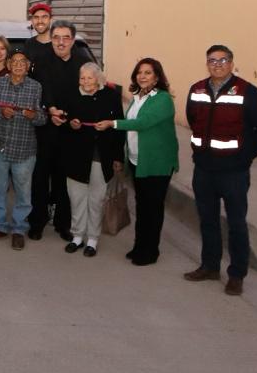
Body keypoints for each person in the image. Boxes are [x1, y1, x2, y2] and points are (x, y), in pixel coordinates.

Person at [182, 45, 257, 295]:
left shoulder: (248, 92)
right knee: (208, 221)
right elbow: (193, 120)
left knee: (236, 223)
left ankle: (236, 275)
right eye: (212, 60)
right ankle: (210, 266)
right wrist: (202, 152)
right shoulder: (197, 89)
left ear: (231, 63)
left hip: (233, 172)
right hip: (204, 169)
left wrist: (244, 156)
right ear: (207, 63)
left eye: (223, 60)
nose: (217, 64)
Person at [95, 58, 178, 267]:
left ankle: (151, 251)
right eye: (139, 72)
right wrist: (122, 158)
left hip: (156, 163)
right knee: (142, 207)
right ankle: (139, 246)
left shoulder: (163, 99)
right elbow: (132, 132)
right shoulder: (137, 97)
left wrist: (112, 123)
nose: (142, 76)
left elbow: (142, 123)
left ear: (157, 77)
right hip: (137, 160)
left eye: (148, 73)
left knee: (153, 208)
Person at [28, 19, 89, 242]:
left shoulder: (83, 62)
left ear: (73, 40)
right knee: (40, 178)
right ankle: (37, 221)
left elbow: (89, 93)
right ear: (51, 39)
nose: (60, 42)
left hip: (72, 130)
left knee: (65, 181)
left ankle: (63, 223)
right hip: (45, 128)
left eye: (65, 38)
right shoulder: (41, 61)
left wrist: (71, 116)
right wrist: (51, 110)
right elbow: (37, 90)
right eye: (56, 38)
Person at [0, 51, 45, 250]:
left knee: (23, 193)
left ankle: (19, 229)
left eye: (22, 62)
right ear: (8, 64)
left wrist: (32, 116)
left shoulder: (36, 87)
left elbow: (42, 118)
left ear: (28, 66)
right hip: (0, 146)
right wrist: (1, 112)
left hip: (25, 148)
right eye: (14, 62)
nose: (18, 65)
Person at [63, 63, 125, 257]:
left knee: (96, 198)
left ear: (98, 78)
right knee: (76, 197)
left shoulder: (111, 96)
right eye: (82, 78)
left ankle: (92, 238)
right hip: (75, 154)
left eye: (90, 78)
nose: (85, 82)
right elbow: (63, 121)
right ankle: (77, 236)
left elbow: (118, 127)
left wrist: (117, 156)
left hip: (101, 155)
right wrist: (70, 124)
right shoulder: (71, 95)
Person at [23, 2, 55, 69]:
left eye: (44, 17)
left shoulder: (59, 43)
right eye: (36, 17)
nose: (40, 21)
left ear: (50, 19)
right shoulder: (29, 44)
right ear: (32, 20)